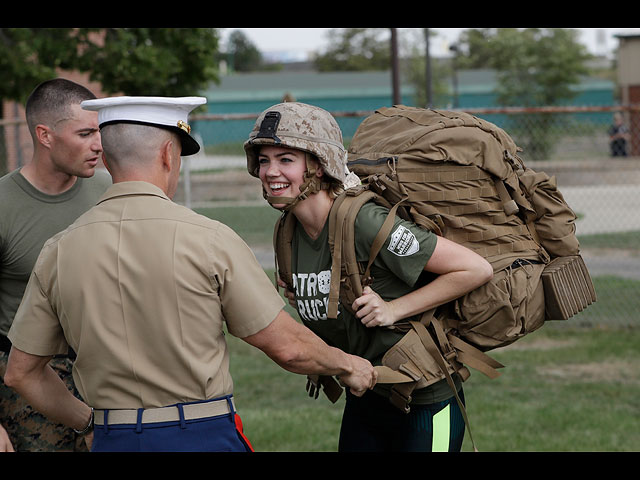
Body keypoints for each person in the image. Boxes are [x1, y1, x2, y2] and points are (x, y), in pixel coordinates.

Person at [4, 96, 377, 453]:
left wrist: (86, 423)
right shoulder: (209, 239)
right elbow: (287, 346)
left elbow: (21, 373)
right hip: (200, 432)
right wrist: (349, 364)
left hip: (111, 436)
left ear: (108, 159)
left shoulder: (58, 249)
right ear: (169, 155)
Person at [243, 102, 494, 452]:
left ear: (317, 165)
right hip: (366, 393)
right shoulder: (288, 230)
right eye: (265, 160)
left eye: (286, 160)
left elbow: (474, 268)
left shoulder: (363, 221)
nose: (271, 171)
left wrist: (394, 309)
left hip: (425, 399)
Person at [0, 78, 111, 452]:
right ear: (45, 135)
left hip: (106, 374)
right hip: (27, 384)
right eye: (85, 134)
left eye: (100, 132)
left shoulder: (111, 193)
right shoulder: (3, 206)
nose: (99, 145)